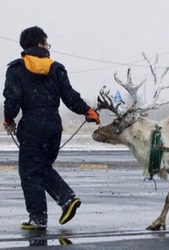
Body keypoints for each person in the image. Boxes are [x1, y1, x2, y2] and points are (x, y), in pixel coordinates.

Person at [2, 26, 100, 230]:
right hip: (54, 126)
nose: (47, 46)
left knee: (30, 172)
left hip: (32, 127)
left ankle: (38, 217)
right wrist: (87, 111)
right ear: (39, 43)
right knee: (41, 168)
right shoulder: (57, 68)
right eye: (46, 43)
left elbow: (12, 99)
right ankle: (67, 200)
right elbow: (69, 95)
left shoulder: (16, 69)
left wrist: (8, 118)